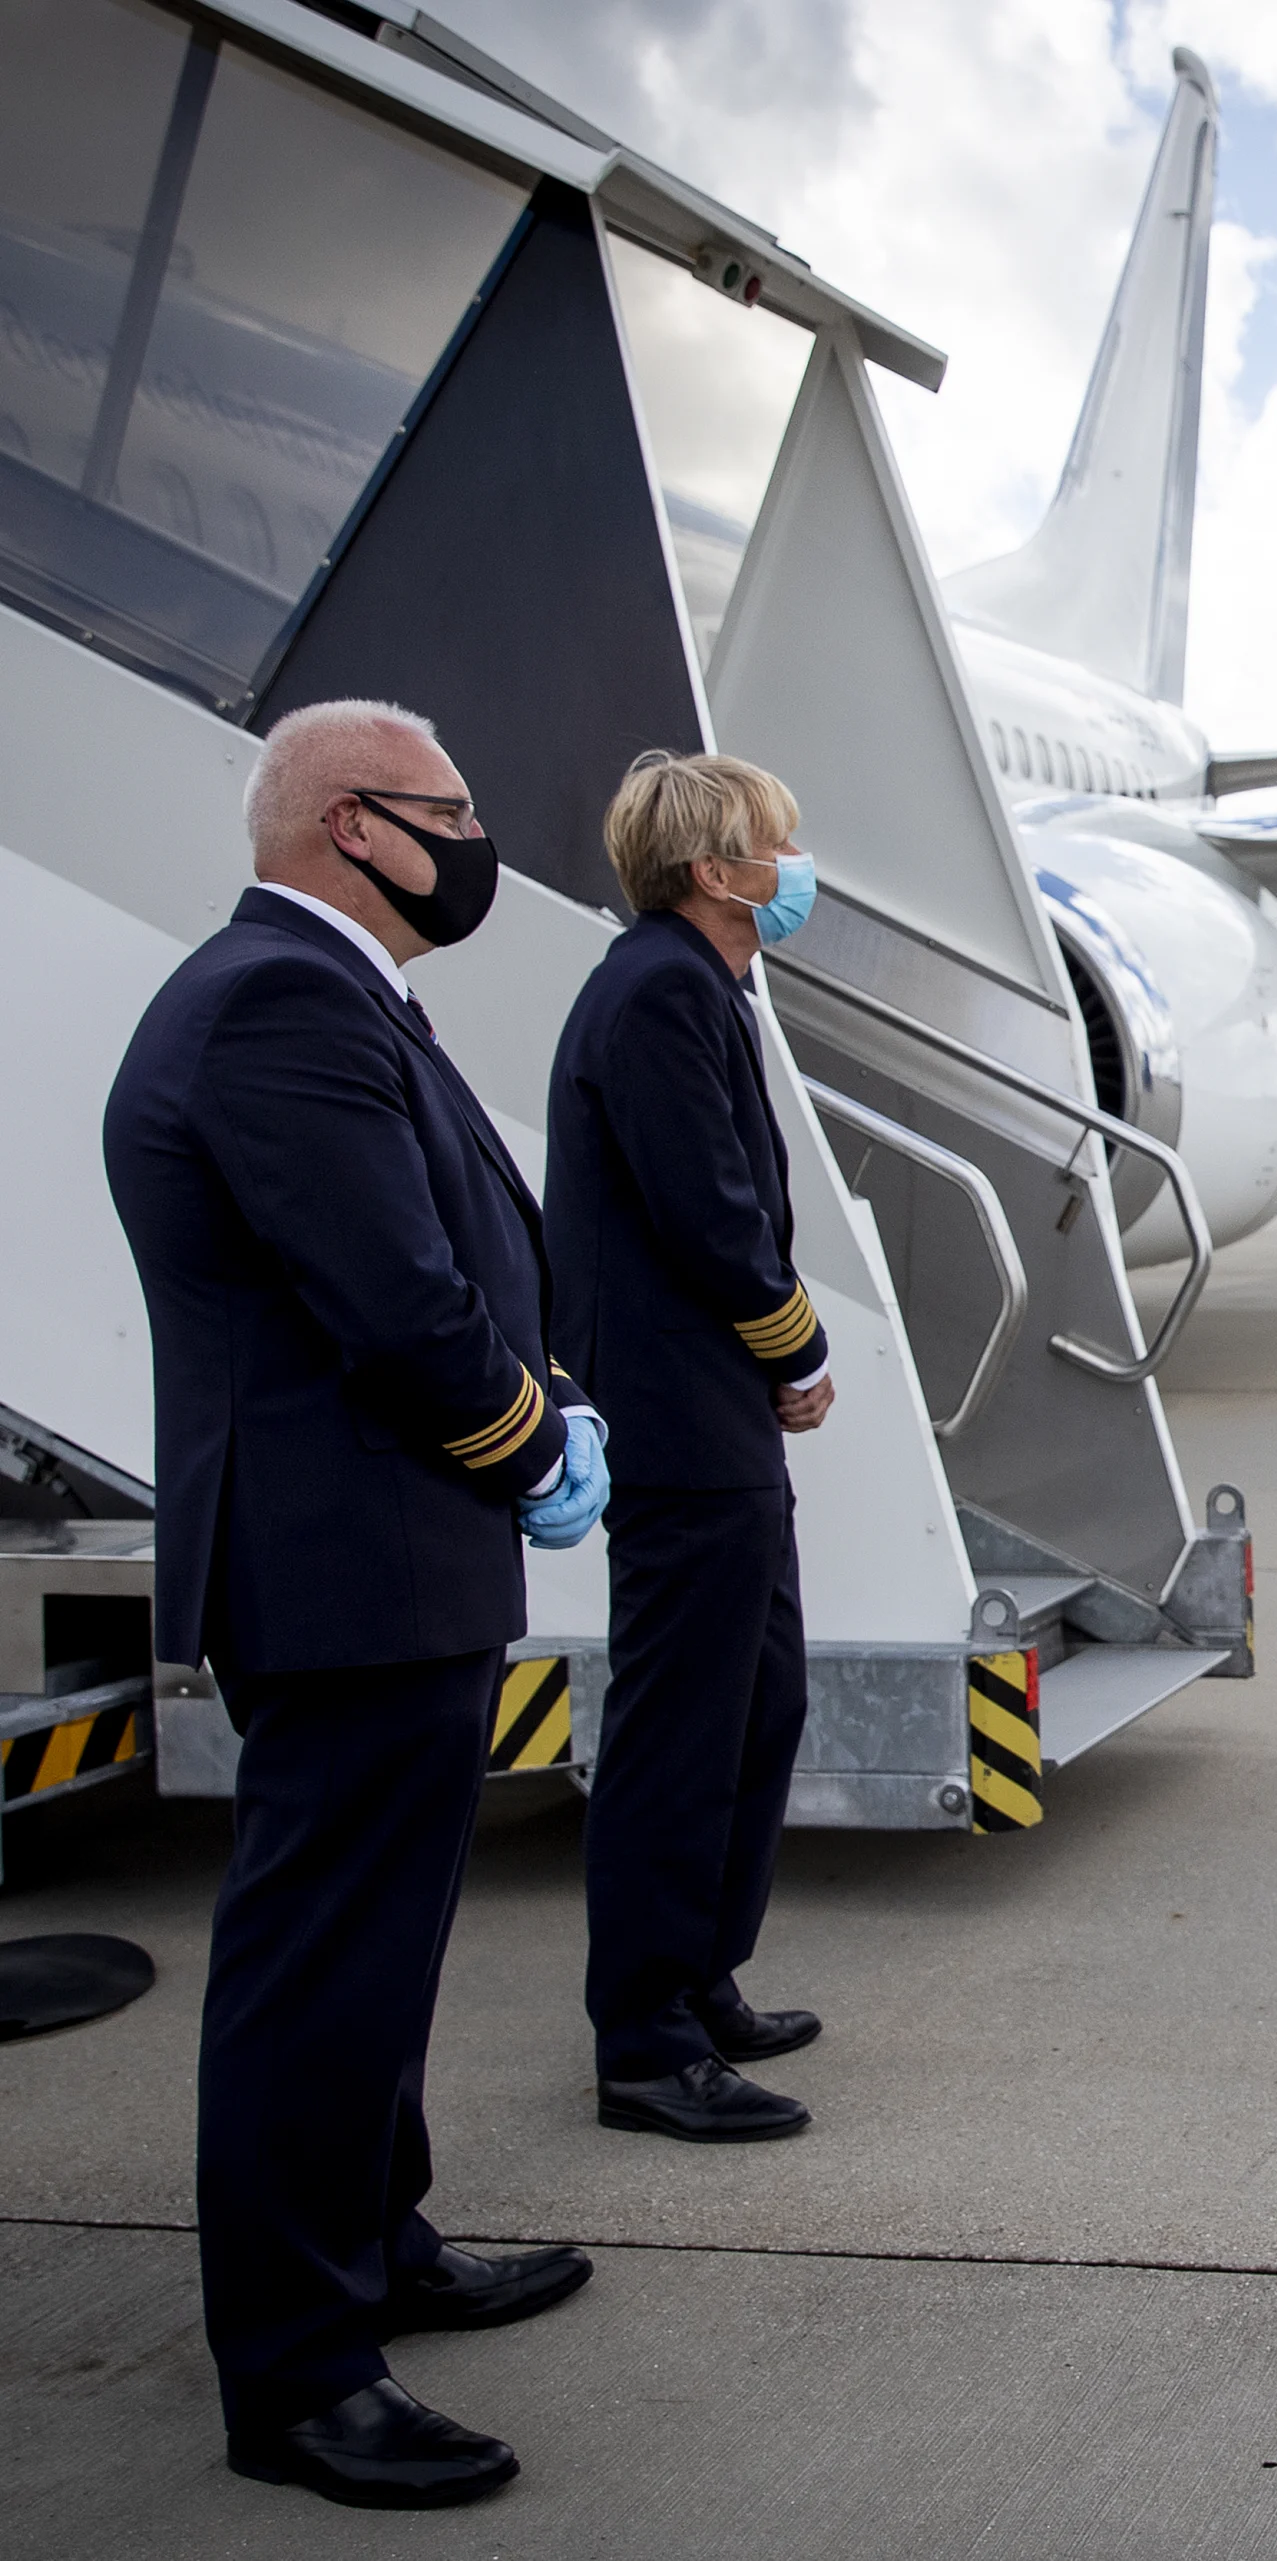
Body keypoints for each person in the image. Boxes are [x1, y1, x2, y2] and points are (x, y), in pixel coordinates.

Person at [103, 699, 608, 2509]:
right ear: (351, 823)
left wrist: (541, 1399)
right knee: (318, 1967)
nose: (477, 841)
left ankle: (377, 2242)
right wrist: (532, 1441)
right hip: (346, 1567)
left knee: (377, 1947)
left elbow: (454, 1254)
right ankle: (301, 2370)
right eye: (449, 812)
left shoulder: (334, 995)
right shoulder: (280, 1003)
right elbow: (393, 1298)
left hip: (385, 1556)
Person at [545, 751, 836, 2143]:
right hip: (680, 1413)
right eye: (778, 844)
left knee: (757, 1698)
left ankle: (702, 1968)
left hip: (706, 1410)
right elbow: (711, 1211)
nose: (796, 865)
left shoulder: (697, 984)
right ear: (718, 871)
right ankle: (646, 2037)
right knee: (683, 1723)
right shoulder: (662, 988)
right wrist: (798, 1346)